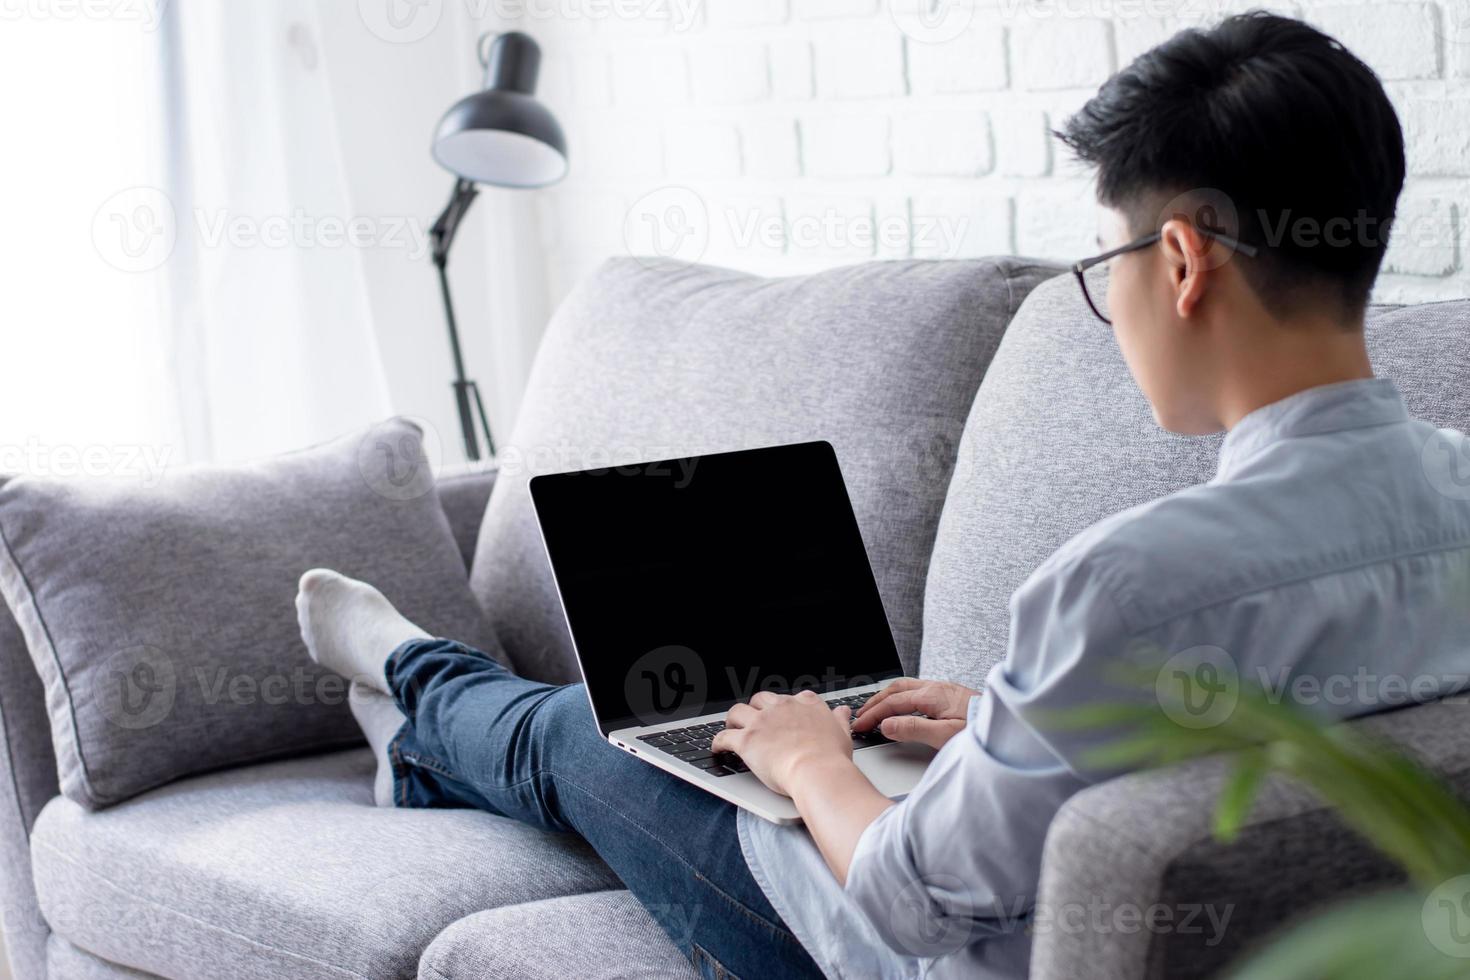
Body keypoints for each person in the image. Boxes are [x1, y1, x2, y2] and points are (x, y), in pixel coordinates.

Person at [293, 13, 1470, 979]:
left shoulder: (1129, 581)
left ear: (1179, 262)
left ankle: (412, 674)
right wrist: (1022, 717)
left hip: (891, 945)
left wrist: (812, 764)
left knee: (591, 733)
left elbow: (914, 903)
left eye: (1104, 266)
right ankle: (421, 750)